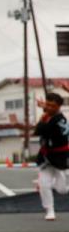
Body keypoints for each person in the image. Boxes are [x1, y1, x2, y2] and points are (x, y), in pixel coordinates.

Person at [34, 92, 69, 221]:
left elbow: (40, 130)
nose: (48, 107)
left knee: (62, 190)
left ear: (59, 107)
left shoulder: (59, 120)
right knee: (44, 184)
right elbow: (40, 129)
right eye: (47, 104)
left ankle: (57, 184)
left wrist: (43, 116)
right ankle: (50, 210)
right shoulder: (50, 115)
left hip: (60, 158)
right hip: (46, 157)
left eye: (52, 106)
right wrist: (44, 109)